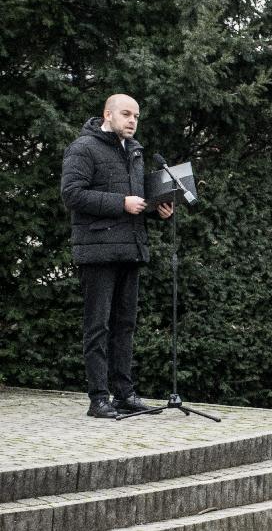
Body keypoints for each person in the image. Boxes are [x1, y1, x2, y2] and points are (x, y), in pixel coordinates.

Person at [61, 94, 172, 418]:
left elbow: (137, 200)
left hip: (130, 248)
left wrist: (156, 210)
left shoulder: (134, 151)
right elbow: (72, 194)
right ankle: (99, 398)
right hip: (97, 251)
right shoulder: (83, 148)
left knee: (125, 325)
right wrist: (121, 202)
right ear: (107, 114)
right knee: (98, 326)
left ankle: (124, 394)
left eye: (136, 115)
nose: (132, 120)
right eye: (126, 114)